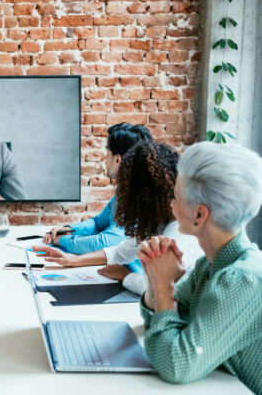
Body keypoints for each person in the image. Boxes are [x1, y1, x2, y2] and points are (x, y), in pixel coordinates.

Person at [136, 142, 262, 392]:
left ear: (200, 214)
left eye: (176, 196)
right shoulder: (210, 265)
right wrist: (155, 275)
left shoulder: (240, 279)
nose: (171, 203)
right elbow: (159, 321)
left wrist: (163, 289)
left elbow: (176, 365)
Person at [34, 141, 203, 295]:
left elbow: (155, 289)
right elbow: (123, 251)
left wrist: (125, 276)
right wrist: (73, 260)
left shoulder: (180, 231)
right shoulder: (158, 219)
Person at [43, 122, 153, 254]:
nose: (105, 158)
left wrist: (62, 240)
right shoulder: (123, 192)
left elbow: (103, 243)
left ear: (117, 159)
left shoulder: (140, 198)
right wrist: (69, 229)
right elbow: (99, 223)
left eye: (107, 152)